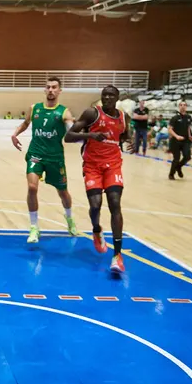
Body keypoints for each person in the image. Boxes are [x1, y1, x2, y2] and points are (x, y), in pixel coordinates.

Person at [66, 85, 132, 273]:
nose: (107, 97)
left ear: (117, 98)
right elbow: (68, 136)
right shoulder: (92, 113)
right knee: (95, 205)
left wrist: (131, 142)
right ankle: (96, 230)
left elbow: (125, 135)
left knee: (114, 203)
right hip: (92, 166)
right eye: (105, 95)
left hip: (113, 165)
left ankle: (117, 256)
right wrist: (90, 134)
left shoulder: (123, 117)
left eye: (111, 95)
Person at [10, 77, 79, 243]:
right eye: (48, 87)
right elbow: (26, 123)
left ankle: (69, 218)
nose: (51, 90)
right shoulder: (35, 108)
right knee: (32, 187)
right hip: (36, 153)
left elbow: (71, 131)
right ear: (44, 90)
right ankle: (34, 227)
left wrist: (77, 132)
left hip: (55, 157)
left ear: (59, 90)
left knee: (63, 193)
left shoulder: (64, 112)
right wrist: (15, 134)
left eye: (54, 87)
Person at [168, 101, 192, 180]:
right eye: (181, 105)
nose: (183, 106)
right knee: (176, 158)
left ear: (186, 106)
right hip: (175, 141)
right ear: (179, 106)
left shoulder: (189, 117)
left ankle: (179, 167)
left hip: (185, 140)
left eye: (184, 105)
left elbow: (188, 127)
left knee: (187, 157)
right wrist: (176, 136)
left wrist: (190, 136)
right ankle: (171, 174)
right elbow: (169, 129)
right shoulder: (175, 118)